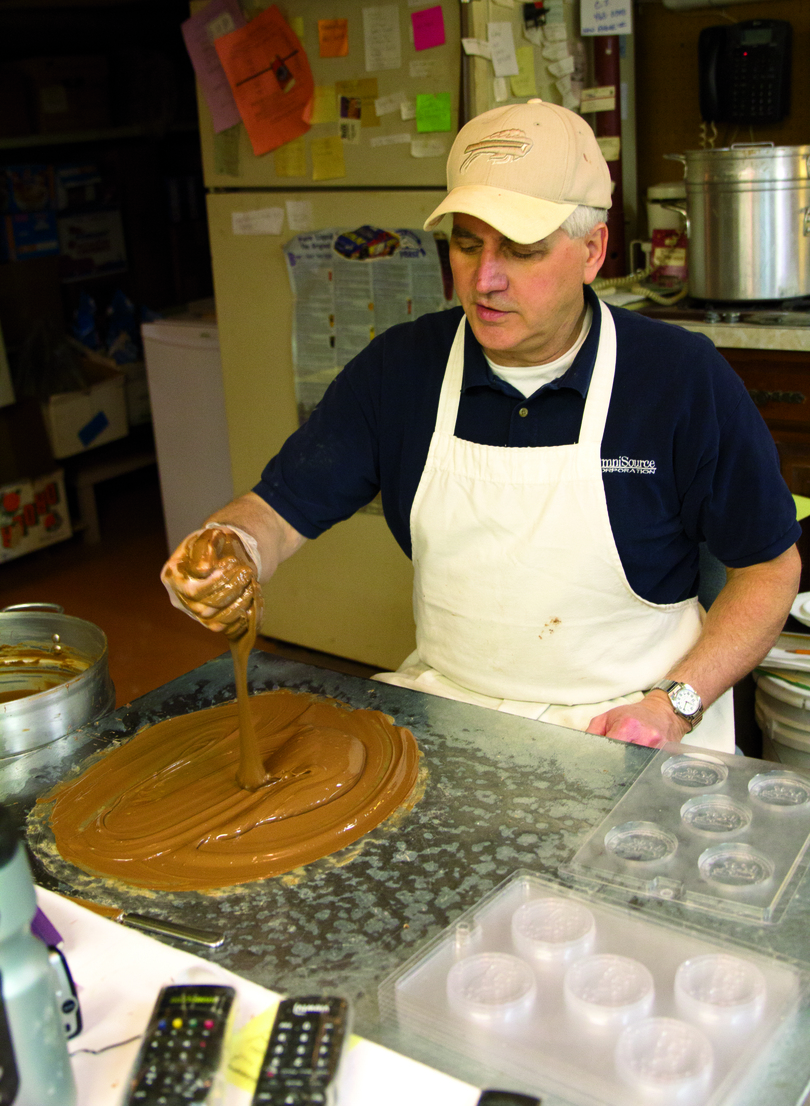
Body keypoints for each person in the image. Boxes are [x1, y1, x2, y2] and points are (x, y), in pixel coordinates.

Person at [162, 99, 801, 753]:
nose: (485, 279)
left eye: (521, 251)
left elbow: (770, 569)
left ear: (592, 250)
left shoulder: (676, 379)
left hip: (636, 721)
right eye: (467, 243)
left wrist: (677, 701)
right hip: (453, 711)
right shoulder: (401, 369)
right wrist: (229, 546)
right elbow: (279, 509)